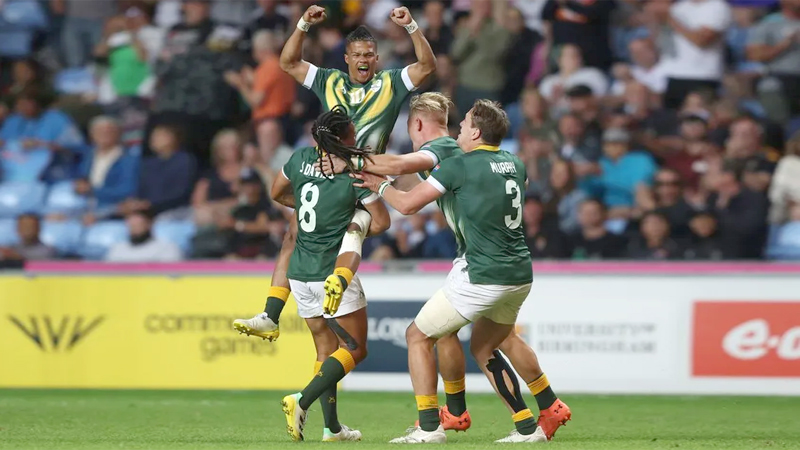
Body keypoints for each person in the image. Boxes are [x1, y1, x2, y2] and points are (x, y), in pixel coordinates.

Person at [319, 93, 571, 440]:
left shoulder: (456, 163)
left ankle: (429, 425)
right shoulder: (515, 163)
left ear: (477, 134)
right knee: (487, 346)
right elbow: (501, 187)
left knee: (417, 336)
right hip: (519, 271)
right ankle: (534, 420)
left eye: (465, 125)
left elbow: (406, 203)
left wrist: (374, 181)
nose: (459, 131)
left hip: (482, 271)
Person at [233, 4, 436, 341]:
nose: (364, 59)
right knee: (293, 234)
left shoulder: (391, 83)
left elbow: (427, 65)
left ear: (376, 57)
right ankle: (271, 314)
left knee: (356, 228)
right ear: (346, 57)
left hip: (363, 180)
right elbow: (288, 63)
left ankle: (337, 284)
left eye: (370, 54)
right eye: (358, 53)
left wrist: (412, 26)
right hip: (328, 177)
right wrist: (302, 25)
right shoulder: (329, 80)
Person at [274, 107, 391, 442]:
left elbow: (276, 192)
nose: (356, 136)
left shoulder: (298, 160)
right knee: (355, 348)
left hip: (299, 272)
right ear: (343, 138)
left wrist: (309, 207)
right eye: (352, 132)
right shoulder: (351, 174)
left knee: (326, 352)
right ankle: (301, 399)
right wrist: (350, 220)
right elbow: (382, 223)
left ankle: (332, 429)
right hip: (332, 270)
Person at [106, 209, 182, 263]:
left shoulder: (166, 248)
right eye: (132, 226)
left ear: (149, 225)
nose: (134, 229)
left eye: (138, 225)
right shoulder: (117, 249)